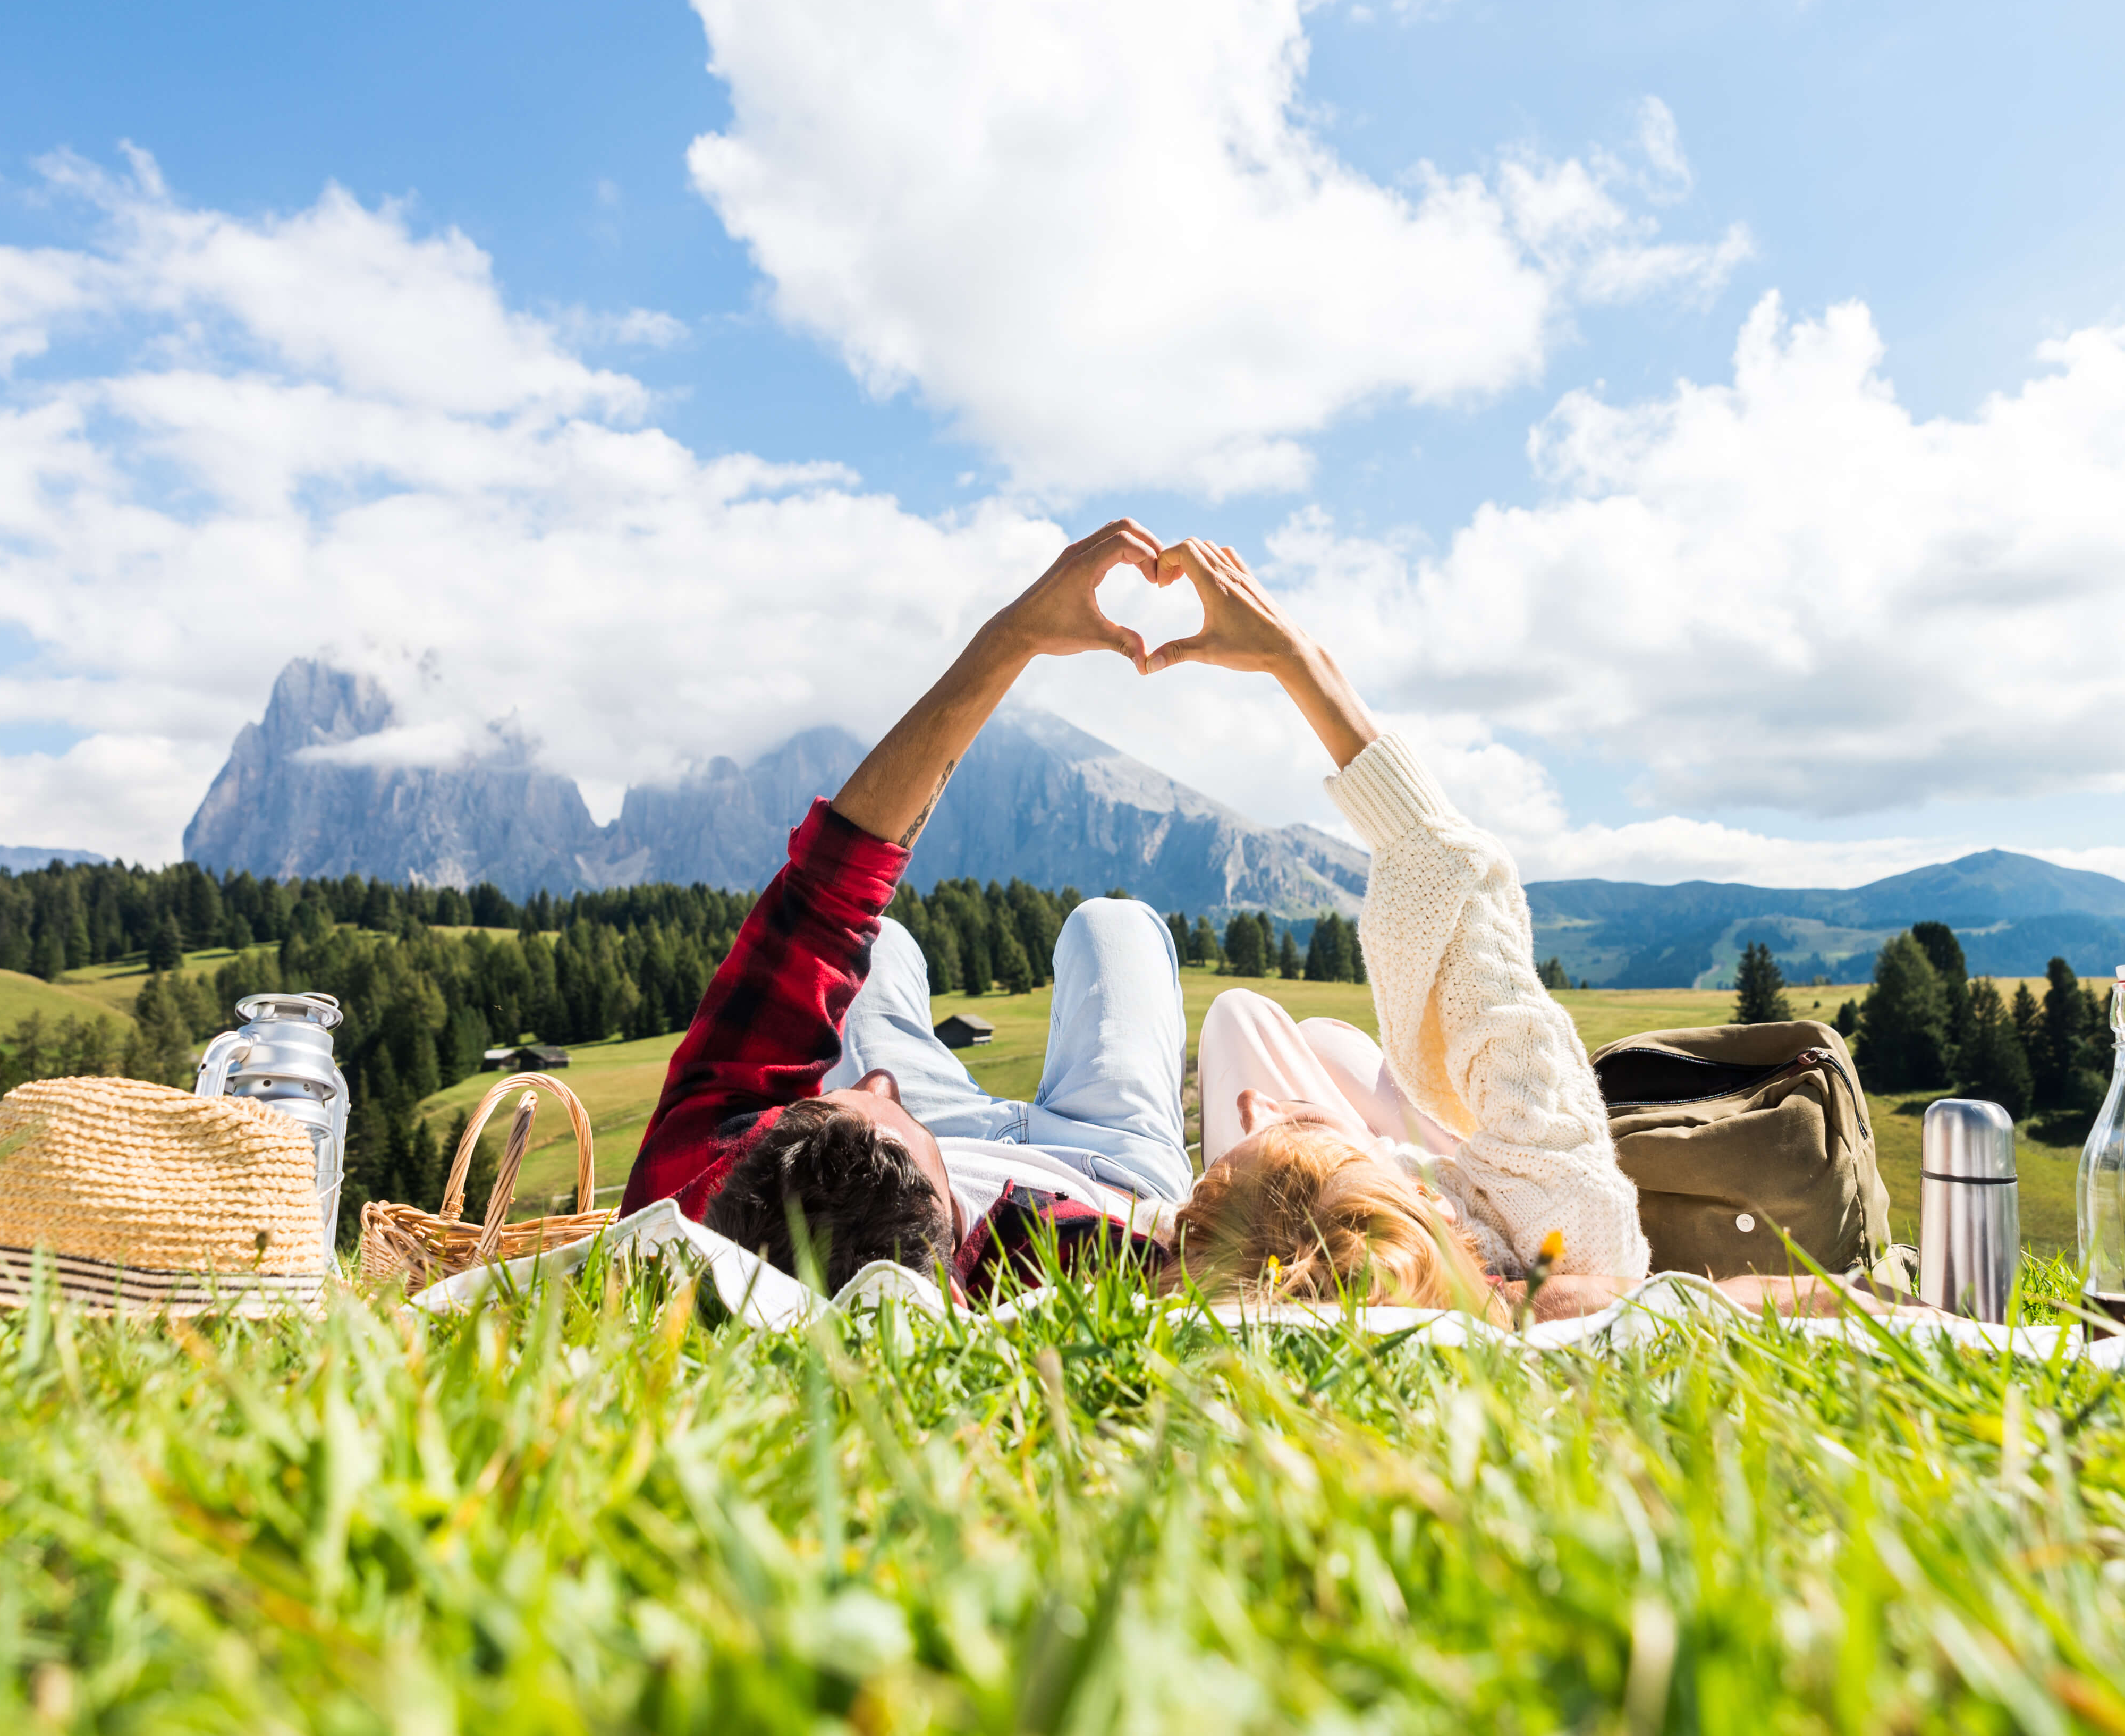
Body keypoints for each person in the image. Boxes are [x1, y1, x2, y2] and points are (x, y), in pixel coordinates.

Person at [1149, 538, 1892, 1324]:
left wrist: (1296, 1144)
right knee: (1272, 1029)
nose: (1258, 1114)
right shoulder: (1564, 1234)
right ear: (1403, 1199)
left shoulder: (1451, 1284)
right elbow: (1471, 916)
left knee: (1253, 1019)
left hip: (1386, 1213)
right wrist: (1299, 664)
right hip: (1461, 1192)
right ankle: (1338, 1140)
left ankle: (1316, 1141)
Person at [617, 520, 1191, 1297]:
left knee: (875, 943)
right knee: (1112, 925)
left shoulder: (701, 1192)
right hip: (1108, 1165)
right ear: (951, 1257)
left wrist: (1012, 637)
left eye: (832, 1106)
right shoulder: (1084, 1267)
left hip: (940, 1134)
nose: (880, 1079)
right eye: (882, 1101)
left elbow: (827, 895)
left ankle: (892, 1133)